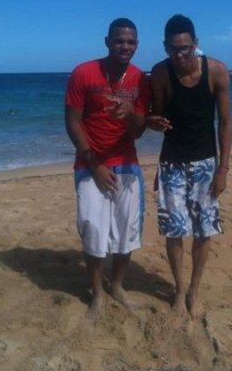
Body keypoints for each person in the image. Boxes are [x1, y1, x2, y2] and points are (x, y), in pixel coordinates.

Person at [147, 14, 232, 318]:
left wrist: (223, 170)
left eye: (184, 48)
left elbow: (225, 122)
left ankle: (194, 290)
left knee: (203, 231)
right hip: (171, 163)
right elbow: (156, 118)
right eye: (173, 49)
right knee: (174, 231)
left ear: (195, 43)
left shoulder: (216, 71)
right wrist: (151, 121)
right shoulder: (159, 73)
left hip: (206, 164)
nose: (179, 55)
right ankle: (179, 290)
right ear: (165, 47)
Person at [65, 18, 150, 320]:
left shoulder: (140, 79)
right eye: (119, 41)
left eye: (131, 42)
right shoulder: (84, 72)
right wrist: (95, 164)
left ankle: (116, 285)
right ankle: (97, 294)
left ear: (137, 45)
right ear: (107, 42)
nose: (125, 46)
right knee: (93, 228)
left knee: (126, 229)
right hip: (90, 164)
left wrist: (130, 115)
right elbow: (72, 122)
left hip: (127, 164)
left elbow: (139, 131)